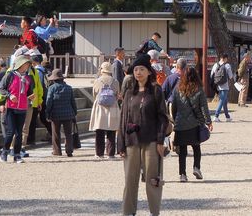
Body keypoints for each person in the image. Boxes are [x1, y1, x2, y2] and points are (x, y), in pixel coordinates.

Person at [119, 54, 170, 216]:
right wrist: (120, 144)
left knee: (152, 179)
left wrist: (161, 140)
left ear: (149, 72)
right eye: (135, 69)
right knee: (130, 180)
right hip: (131, 140)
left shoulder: (156, 90)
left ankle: (154, 212)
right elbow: (123, 119)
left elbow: (163, 117)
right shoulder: (129, 93)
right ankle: (128, 212)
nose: (138, 72)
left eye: (142, 69)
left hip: (152, 140)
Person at [171, 66, 213, 182]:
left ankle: (182, 174)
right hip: (195, 123)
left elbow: (173, 107)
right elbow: (204, 107)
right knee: (196, 147)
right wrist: (208, 121)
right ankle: (196, 168)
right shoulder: (199, 89)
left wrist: (176, 120)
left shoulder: (177, 89)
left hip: (180, 124)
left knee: (182, 151)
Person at [0, 55, 35, 163]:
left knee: (19, 133)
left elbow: (29, 92)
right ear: (20, 64)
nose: (28, 66)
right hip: (11, 107)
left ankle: (17, 155)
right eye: (27, 64)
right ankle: (5, 151)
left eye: (28, 64)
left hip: (23, 107)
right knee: (10, 131)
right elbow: (0, 88)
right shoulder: (10, 75)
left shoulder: (28, 78)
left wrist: (31, 96)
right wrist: (9, 96)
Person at [89, 61, 120, 159]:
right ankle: (110, 153)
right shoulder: (115, 81)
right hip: (112, 106)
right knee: (111, 131)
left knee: (99, 130)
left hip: (100, 107)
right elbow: (117, 93)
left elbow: (94, 93)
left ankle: (99, 153)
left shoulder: (97, 81)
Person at [45, 69, 77, 157]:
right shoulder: (69, 88)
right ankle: (69, 150)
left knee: (56, 133)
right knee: (68, 133)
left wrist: (47, 113)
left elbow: (49, 102)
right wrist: (75, 111)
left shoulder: (51, 88)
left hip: (55, 114)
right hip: (68, 113)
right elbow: (72, 102)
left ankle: (57, 151)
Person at [210, 53, 233, 122]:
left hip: (218, 86)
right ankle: (216, 116)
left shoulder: (215, 65)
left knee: (224, 102)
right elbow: (231, 76)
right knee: (222, 101)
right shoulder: (227, 65)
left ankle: (227, 117)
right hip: (225, 86)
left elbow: (211, 75)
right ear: (225, 58)